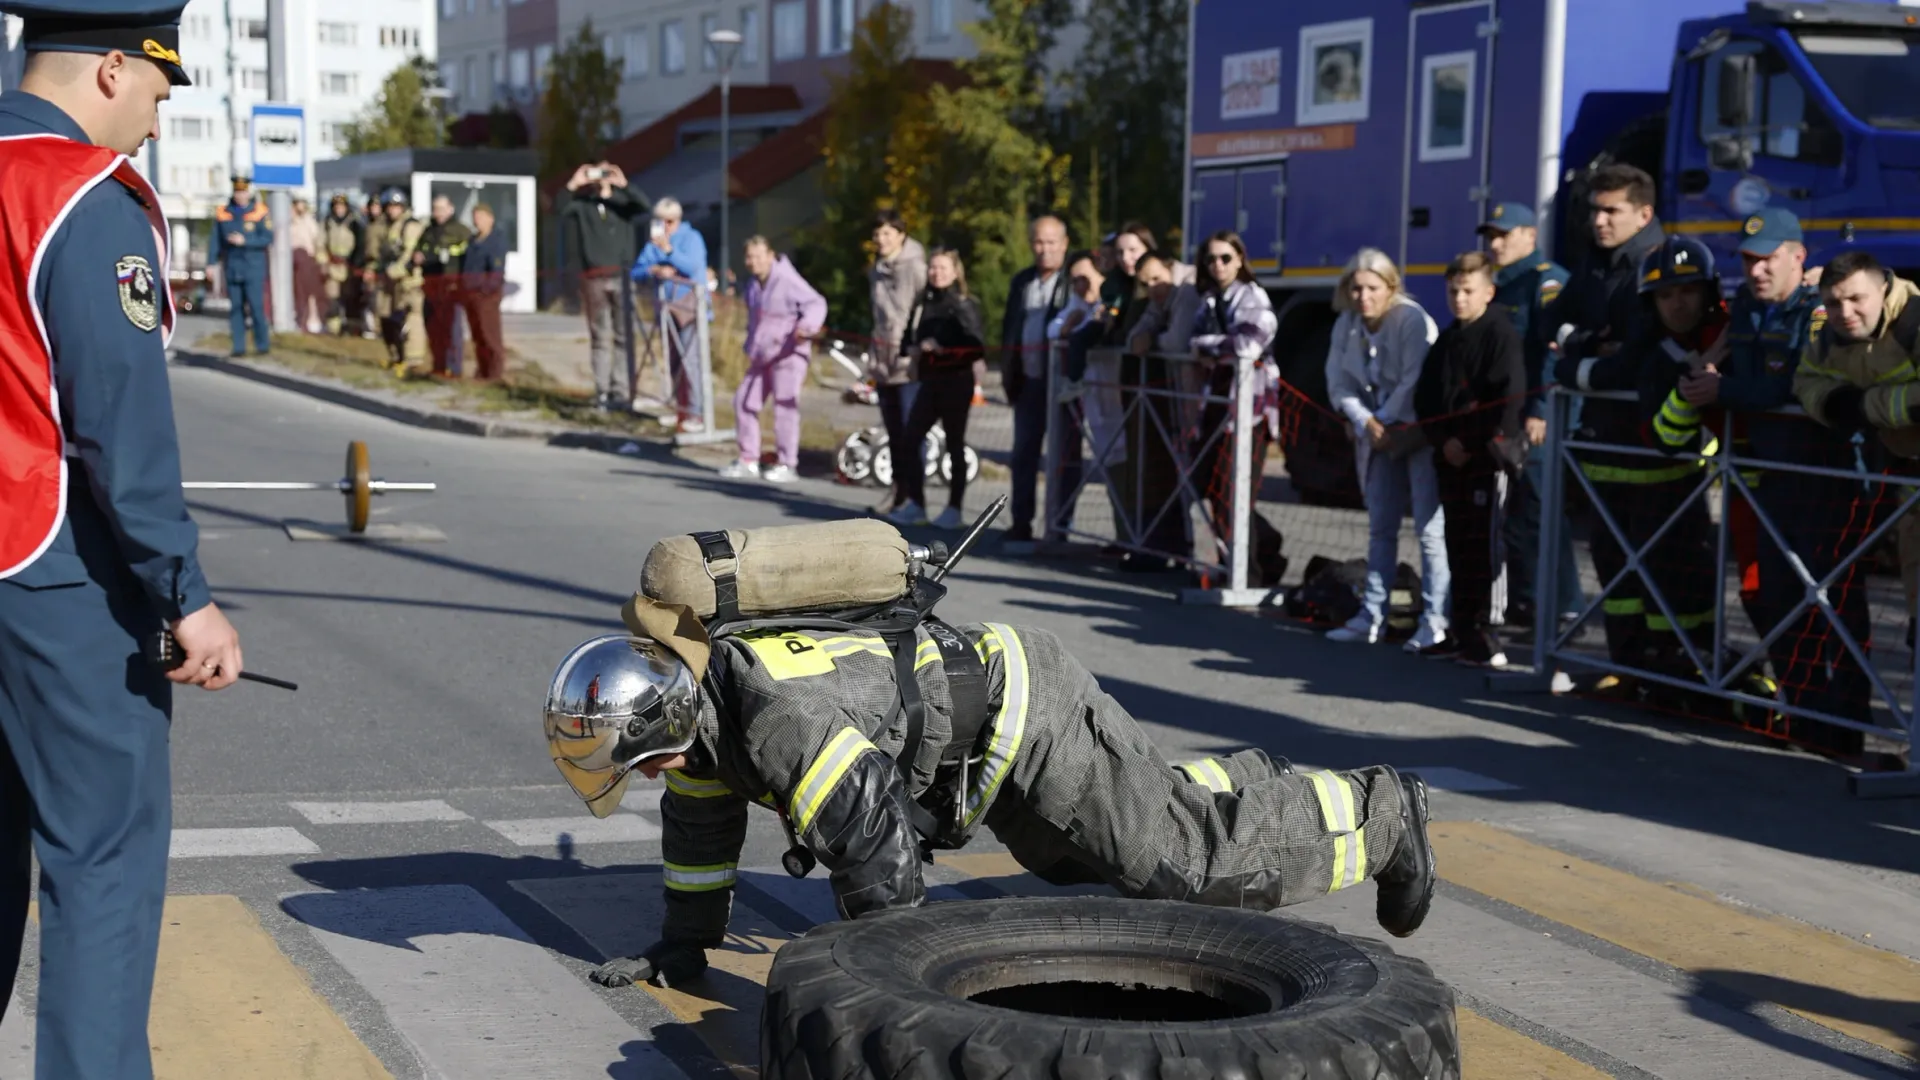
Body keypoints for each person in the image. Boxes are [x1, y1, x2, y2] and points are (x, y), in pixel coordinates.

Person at [542, 613, 1435, 991]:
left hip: (1021, 716)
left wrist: (879, 1011)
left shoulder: (780, 726)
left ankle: (1385, 812)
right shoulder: (705, 713)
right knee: (1105, 847)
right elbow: (700, 830)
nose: (648, 777)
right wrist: (683, 946)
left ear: (663, 723)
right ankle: (1242, 790)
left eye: (640, 762)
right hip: (978, 749)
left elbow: (884, 873)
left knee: (1181, 865)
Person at [0, 6, 245, 1075]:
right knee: (100, 866)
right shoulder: (83, 199)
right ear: (110, 66)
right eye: (156, 87)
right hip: (52, 576)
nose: (153, 117)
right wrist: (186, 593)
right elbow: (119, 429)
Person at [1660, 211, 1844, 740]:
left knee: (1833, 604)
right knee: (1775, 599)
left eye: (1766, 259)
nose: (1756, 270)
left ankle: (1845, 723)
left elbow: (1792, 389)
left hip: (1824, 478)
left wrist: (1723, 390)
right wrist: (1717, 375)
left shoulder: (1816, 312)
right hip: (1766, 477)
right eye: (1748, 259)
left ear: (1797, 257)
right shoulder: (1745, 308)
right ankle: (1802, 714)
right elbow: (1741, 377)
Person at [1565, 236, 1724, 686]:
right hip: (1616, 485)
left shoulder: (1724, 339)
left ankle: (1684, 669)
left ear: (1709, 293)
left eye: (1688, 291)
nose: (1677, 304)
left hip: (1675, 487)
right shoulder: (1647, 347)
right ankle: (1632, 666)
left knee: (1681, 581)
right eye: (1666, 295)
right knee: (1621, 587)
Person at [1550, 167, 1676, 688]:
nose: (1597, 222)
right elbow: (1550, 325)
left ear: (1644, 214)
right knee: (1612, 562)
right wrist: (1587, 343)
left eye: (1611, 212)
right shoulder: (1596, 263)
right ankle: (1625, 666)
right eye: (1594, 211)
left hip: (1653, 449)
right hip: (1606, 441)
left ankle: (1668, 672)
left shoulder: (1661, 263)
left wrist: (1581, 360)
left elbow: (1638, 355)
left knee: (1663, 566)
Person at [1794, 249, 1920, 758]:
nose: (1846, 312)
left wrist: (1866, 408)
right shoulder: (1831, 333)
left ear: (1884, 287)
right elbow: (1805, 380)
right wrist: (1834, 404)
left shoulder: (1915, 320)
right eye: (1835, 301)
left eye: (1856, 298)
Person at [1324, 248, 1447, 648]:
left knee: (1430, 530)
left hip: (1416, 430)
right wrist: (1367, 422)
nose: (1363, 296)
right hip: (1377, 432)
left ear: (1390, 287)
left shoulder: (1410, 320)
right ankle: (1371, 615)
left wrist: (1386, 421)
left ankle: (1435, 618)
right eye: (1356, 288)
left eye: (1372, 288)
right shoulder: (1346, 325)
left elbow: (1416, 379)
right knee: (1380, 527)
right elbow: (1338, 384)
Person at [1415, 252, 1526, 668]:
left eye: (1467, 291)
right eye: (1453, 291)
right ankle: (1460, 628)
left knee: (1486, 545)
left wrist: (1471, 443)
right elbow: (1426, 399)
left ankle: (1486, 629)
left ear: (1488, 292)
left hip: (1486, 459)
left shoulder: (1501, 336)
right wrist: (1443, 440)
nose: (1459, 299)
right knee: (1456, 543)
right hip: (1450, 459)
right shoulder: (1447, 340)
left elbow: (1507, 401)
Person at [1479, 201, 1578, 634]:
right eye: (1491, 236)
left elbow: (1553, 354)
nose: (1495, 243)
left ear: (1530, 237)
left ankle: (1563, 607)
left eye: (1504, 234)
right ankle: (1527, 604)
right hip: (1507, 416)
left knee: (1541, 510)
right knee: (1516, 515)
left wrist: (1540, 412)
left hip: (1539, 418)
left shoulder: (1546, 282)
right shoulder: (1499, 285)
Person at [1191, 233, 1289, 587]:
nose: (1218, 265)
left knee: (1232, 490)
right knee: (1210, 486)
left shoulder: (1253, 297)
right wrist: (1209, 345)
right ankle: (1259, 552)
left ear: (1241, 259)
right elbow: (1195, 336)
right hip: (1217, 403)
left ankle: (1245, 572)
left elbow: (1249, 344)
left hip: (1251, 410)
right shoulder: (1210, 299)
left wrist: (1205, 345)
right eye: (1211, 259)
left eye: (1226, 258)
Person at [891, 247, 988, 529]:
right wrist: (914, 350)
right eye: (933, 267)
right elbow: (907, 341)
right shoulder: (922, 303)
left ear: (956, 272)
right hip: (929, 380)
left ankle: (954, 508)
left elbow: (976, 348)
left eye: (943, 268)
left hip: (956, 381)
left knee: (954, 443)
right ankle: (917, 504)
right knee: (910, 439)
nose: (937, 273)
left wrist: (943, 350)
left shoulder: (963, 303)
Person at [719, 237, 827, 485]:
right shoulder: (753, 285)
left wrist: (806, 327)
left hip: (789, 353)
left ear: (770, 255)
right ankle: (749, 458)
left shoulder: (787, 279)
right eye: (749, 257)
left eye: (758, 256)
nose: (753, 262)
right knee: (744, 401)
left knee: (784, 408)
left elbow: (816, 303)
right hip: (762, 354)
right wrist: (751, 345)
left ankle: (787, 463)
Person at [1001, 215, 1072, 543]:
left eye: (1051, 242)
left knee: (1064, 456)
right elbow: (1009, 330)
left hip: (1061, 384)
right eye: (1039, 242)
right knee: (1023, 454)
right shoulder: (1022, 282)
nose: (1045, 250)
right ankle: (1021, 523)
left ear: (1065, 243)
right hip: (1027, 381)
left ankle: (1059, 525)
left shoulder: (1073, 281)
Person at [561, 161, 645, 411]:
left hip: (622, 276)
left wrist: (624, 184)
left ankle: (620, 390)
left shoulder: (623, 205)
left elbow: (645, 206)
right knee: (600, 337)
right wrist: (575, 182)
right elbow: (558, 209)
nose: (601, 178)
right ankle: (602, 391)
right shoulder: (583, 204)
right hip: (594, 278)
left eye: (605, 173)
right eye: (598, 173)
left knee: (623, 336)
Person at [632, 196, 712, 432]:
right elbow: (636, 271)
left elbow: (693, 267)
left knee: (691, 362)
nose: (663, 226)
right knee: (674, 362)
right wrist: (654, 269)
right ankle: (680, 410)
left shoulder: (692, 238)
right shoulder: (653, 244)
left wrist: (669, 252)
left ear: (676, 220)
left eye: (667, 221)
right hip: (665, 310)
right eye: (659, 221)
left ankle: (696, 414)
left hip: (689, 308)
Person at [867, 211, 928, 515]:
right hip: (883, 361)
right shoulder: (876, 269)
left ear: (901, 235)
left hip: (908, 361)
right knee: (892, 432)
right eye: (878, 234)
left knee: (911, 431)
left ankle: (917, 497)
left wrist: (913, 347)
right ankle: (897, 491)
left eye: (888, 233)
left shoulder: (916, 267)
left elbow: (920, 309)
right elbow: (878, 317)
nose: (881, 240)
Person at [211, 173, 271, 356]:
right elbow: (215, 240)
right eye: (237, 192)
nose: (240, 195)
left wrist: (245, 240)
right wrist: (211, 263)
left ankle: (262, 346)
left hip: (253, 268)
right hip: (233, 267)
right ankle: (239, 347)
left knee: (256, 307)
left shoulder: (260, 211)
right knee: (236, 309)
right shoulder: (224, 212)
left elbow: (267, 238)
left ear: (248, 193)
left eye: (243, 192)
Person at [370, 187, 426, 373]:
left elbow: (409, 253)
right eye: (389, 206)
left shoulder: (410, 226)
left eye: (396, 206)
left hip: (408, 283)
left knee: (410, 321)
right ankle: (396, 357)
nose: (392, 210)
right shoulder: (388, 226)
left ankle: (413, 361)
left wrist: (396, 270)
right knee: (386, 318)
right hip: (390, 282)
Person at [416, 193, 472, 379]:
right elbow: (420, 249)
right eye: (435, 209)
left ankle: (454, 369)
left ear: (450, 209)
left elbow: (467, 259)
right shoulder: (429, 231)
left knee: (452, 329)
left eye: (441, 208)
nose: (438, 213)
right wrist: (418, 257)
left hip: (451, 288)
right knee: (433, 327)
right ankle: (438, 365)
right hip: (431, 286)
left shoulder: (461, 231)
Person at [460, 202, 510, 382]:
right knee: (477, 335)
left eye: (481, 217)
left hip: (487, 295)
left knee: (490, 334)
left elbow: (496, 271)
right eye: (475, 217)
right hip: (470, 294)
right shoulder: (473, 241)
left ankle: (495, 373)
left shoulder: (496, 240)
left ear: (490, 218)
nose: (477, 221)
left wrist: (487, 289)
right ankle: (483, 370)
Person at [319, 192, 363, 336]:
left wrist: (357, 264)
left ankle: (351, 329)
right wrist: (323, 261)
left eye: (342, 206)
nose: (339, 209)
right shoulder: (327, 223)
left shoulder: (354, 223)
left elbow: (361, 245)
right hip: (333, 265)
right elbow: (320, 244)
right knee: (333, 298)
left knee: (350, 297)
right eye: (336, 206)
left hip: (349, 266)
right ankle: (334, 328)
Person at [287, 196, 323, 333]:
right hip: (292, 260)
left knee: (308, 292)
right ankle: (299, 319)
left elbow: (315, 240)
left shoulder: (309, 221)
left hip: (307, 260)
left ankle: (310, 320)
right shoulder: (289, 222)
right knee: (296, 292)